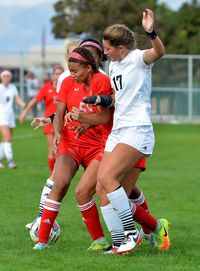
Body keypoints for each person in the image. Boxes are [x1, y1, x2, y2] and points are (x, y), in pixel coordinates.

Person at [94, 9, 170, 254]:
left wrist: (150, 32)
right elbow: (117, 99)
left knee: (107, 179)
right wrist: (100, 100)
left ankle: (130, 234)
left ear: (121, 48)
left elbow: (159, 52)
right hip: (118, 130)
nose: (104, 52)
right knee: (101, 189)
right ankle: (119, 242)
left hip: (137, 129)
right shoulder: (113, 66)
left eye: (107, 48)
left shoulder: (138, 58)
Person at [33, 47, 113, 250]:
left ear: (88, 66)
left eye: (75, 71)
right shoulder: (68, 82)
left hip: (98, 146)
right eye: (70, 70)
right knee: (59, 184)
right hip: (71, 143)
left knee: (95, 192)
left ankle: (138, 232)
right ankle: (41, 242)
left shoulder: (101, 81)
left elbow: (105, 117)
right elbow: (59, 114)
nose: (72, 75)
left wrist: (82, 117)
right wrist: (58, 133)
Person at [19, 65, 64, 172]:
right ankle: (53, 175)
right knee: (53, 148)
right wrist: (25, 112)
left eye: (61, 74)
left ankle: (58, 174)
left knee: (62, 149)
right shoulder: (46, 87)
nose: (58, 76)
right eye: (56, 73)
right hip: (48, 121)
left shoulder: (65, 88)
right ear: (52, 75)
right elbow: (35, 100)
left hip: (63, 122)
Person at [0, 70, 26, 169]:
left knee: (6, 139)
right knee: (7, 137)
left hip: (10, 116)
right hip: (1, 115)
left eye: (8, 76)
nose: (6, 77)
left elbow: (18, 99)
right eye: (4, 76)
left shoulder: (12, 87)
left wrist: (26, 106)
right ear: (1, 77)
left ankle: (0, 160)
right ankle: (11, 161)